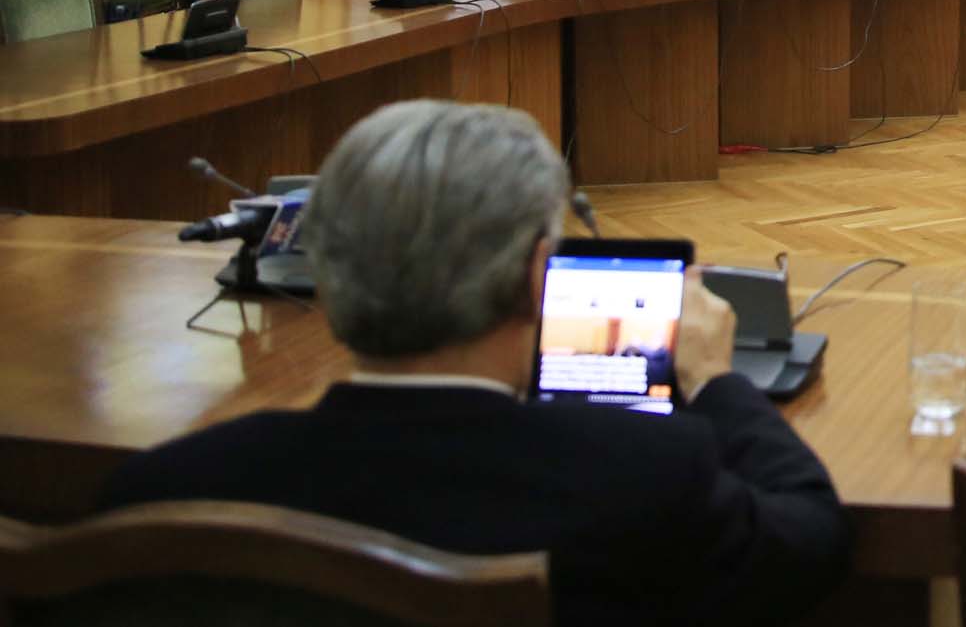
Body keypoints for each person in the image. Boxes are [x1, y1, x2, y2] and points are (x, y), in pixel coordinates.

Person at [99, 100, 851, 625]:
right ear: (537, 278)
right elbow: (809, 537)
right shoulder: (644, 475)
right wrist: (714, 377)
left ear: (322, 277)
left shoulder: (166, 492)